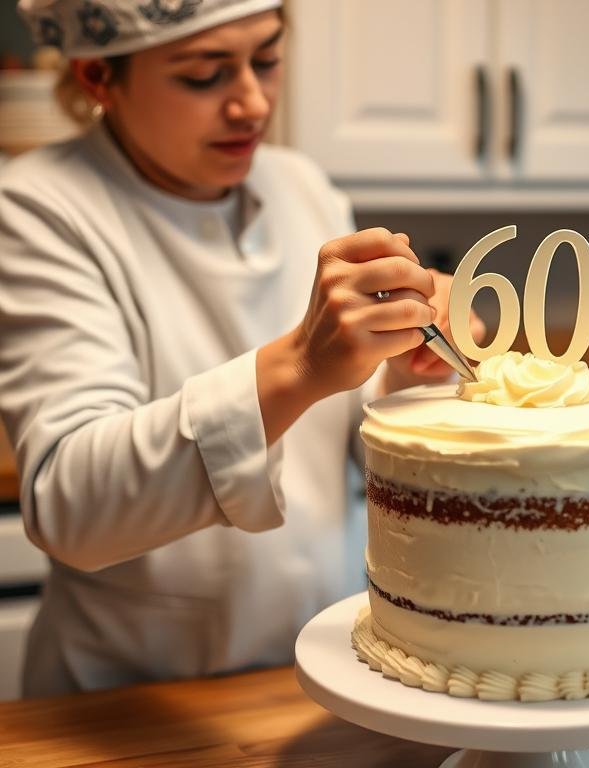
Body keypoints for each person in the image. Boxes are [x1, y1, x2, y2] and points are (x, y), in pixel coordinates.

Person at [0, 0, 482, 697]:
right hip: (131, 699)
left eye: (267, 58)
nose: (252, 102)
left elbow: (355, 445)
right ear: (98, 75)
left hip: (323, 675)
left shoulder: (301, 187)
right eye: (204, 74)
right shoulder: (37, 208)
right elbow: (70, 505)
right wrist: (302, 365)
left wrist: (406, 372)